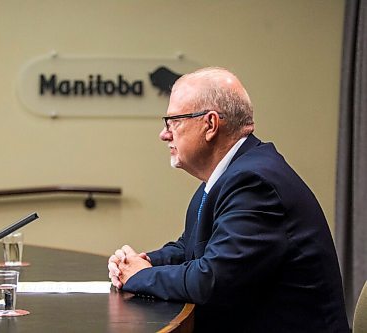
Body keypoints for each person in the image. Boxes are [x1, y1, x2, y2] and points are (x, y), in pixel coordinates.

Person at [108, 67, 349, 332]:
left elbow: (210, 281)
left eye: (173, 121)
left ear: (210, 124)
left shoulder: (254, 183)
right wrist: (142, 263)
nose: (164, 134)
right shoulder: (230, 174)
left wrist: (141, 276)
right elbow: (189, 248)